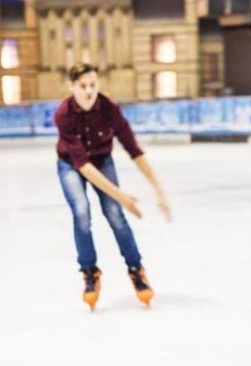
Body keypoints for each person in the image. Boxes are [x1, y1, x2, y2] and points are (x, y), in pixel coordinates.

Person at [54, 63, 171, 310]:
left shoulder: (109, 109)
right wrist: (122, 196)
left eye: (93, 85)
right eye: (83, 86)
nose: (89, 91)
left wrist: (158, 189)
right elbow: (83, 166)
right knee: (81, 212)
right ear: (71, 87)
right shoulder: (63, 114)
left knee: (115, 214)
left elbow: (133, 149)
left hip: (102, 160)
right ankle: (89, 272)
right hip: (71, 165)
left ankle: (136, 269)